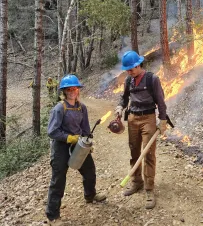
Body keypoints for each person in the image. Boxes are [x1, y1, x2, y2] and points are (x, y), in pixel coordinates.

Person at [46, 74, 106, 223]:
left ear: (78, 90)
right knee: (58, 180)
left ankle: (90, 195)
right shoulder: (59, 108)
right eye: (69, 89)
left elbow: (85, 129)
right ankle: (52, 215)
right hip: (60, 147)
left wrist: (87, 143)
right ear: (64, 91)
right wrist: (68, 137)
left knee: (90, 171)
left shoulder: (82, 107)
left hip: (78, 145)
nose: (72, 91)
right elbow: (52, 131)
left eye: (75, 88)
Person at [115, 50, 167, 209]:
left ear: (139, 65)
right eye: (127, 70)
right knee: (134, 152)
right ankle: (137, 182)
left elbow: (160, 100)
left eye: (131, 69)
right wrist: (119, 108)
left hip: (148, 119)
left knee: (149, 153)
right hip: (132, 119)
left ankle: (149, 189)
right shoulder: (128, 80)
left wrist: (162, 120)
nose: (129, 72)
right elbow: (124, 98)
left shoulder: (152, 79)